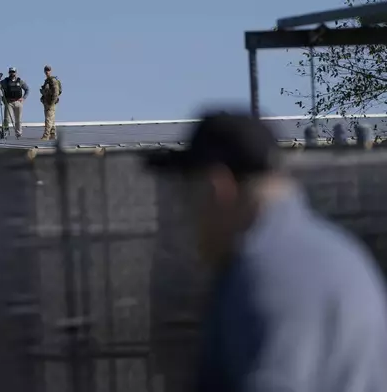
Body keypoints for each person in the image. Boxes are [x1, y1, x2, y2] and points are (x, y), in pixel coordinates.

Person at [146, 110, 387, 392]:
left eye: (188, 198)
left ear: (217, 188)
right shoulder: (340, 252)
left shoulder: (269, 274)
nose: (187, 217)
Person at [0, 67, 29, 139]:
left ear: (16, 72)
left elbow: (27, 89)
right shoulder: (5, 81)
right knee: (7, 119)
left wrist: (23, 98)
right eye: (11, 72)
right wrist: (2, 98)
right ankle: (5, 132)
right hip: (9, 102)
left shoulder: (20, 81)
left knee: (18, 119)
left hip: (18, 102)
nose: (12, 73)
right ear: (8, 72)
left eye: (13, 72)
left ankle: (18, 133)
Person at [39, 65, 61, 141]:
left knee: (48, 119)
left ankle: (46, 136)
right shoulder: (47, 80)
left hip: (50, 103)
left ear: (51, 71)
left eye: (48, 70)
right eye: (46, 70)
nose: (47, 72)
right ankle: (52, 135)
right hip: (47, 102)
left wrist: (52, 102)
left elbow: (56, 92)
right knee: (52, 119)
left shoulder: (53, 80)